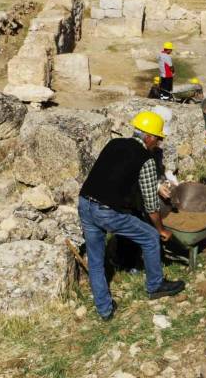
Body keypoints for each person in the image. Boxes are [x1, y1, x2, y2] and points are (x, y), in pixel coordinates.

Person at [78, 111, 185, 320]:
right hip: (106, 211)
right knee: (150, 237)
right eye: (159, 138)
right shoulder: (146, 159)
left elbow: (110, 173)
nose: (160, 143)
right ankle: (155, 285)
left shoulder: (114, 143)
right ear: (149, 137)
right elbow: (151, 205)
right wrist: (161, 229)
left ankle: (105, 310)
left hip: (84, 202)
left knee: (96, 259)